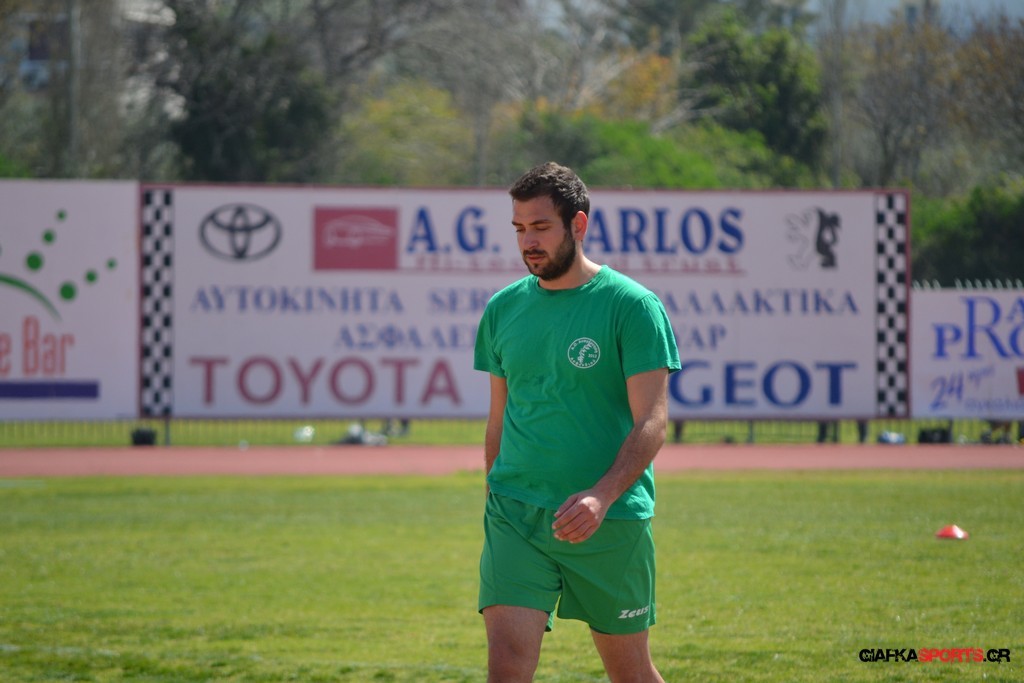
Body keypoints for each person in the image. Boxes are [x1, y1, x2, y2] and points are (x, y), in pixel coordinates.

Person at [473, 162, 681, 682]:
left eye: (541, 227)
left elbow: (652, 422)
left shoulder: (632, 306)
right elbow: (498, 420)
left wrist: (602, 495)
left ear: (578, 224)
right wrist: (495, 490)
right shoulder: (501, 309)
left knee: (630, 672)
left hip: (607, 519)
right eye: (520, 228)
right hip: (515, 516)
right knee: (506, 665)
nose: (528, 241)